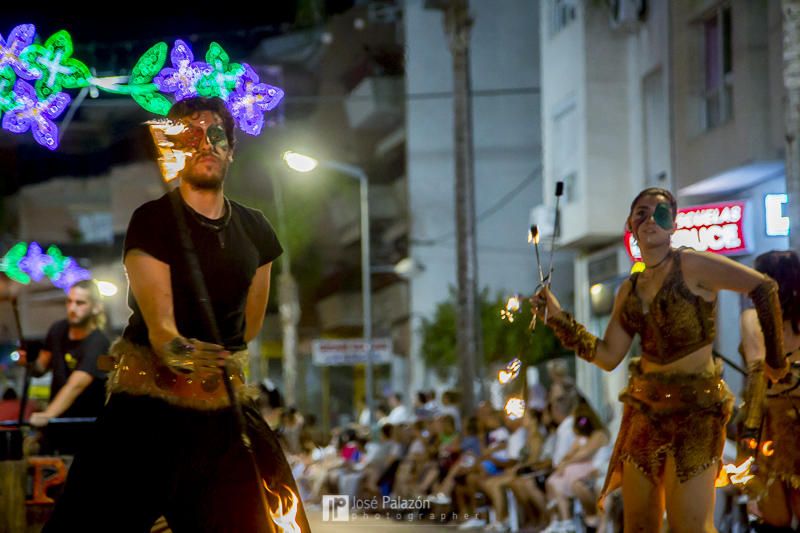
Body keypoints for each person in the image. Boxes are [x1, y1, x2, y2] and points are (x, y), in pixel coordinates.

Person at [44, 97, 309, 532]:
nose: (205, 144)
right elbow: (161, 326)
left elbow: (248, 327)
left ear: (231, 149)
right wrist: (177, 349)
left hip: (221, 410)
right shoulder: (151, 220)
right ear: (174, 149)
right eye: (191, 136)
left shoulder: (258, 231)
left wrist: (221, 361)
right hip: (146, 410)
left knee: (265, 516)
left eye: (216, 135)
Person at [534, 187, 787, 532]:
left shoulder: (694, 264)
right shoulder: (630, 289)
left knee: (690, 527)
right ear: (631, 225)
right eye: (642, 212)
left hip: (696, 415)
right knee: (638, 525)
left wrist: (775, 361)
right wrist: (559, 320)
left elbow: (764, 288)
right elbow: (608, 356)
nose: (651, 218)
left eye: (661, 212)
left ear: (673, 223)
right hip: (644, 415)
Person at [739, 250, 800, 530]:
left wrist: (747, 439)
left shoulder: (753, 319)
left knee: (775, 518)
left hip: (771, 423)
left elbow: (758, 373)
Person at [21, 280, 110, 454]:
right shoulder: (57, 330)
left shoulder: (99, 343)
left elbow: (75, 385)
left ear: (96, 307)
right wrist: (29, 360)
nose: (72, 308)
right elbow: (40, 367)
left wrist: (47, 415)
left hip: (86, 431)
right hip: (57, 428)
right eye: (69, 301)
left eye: (80, 303)